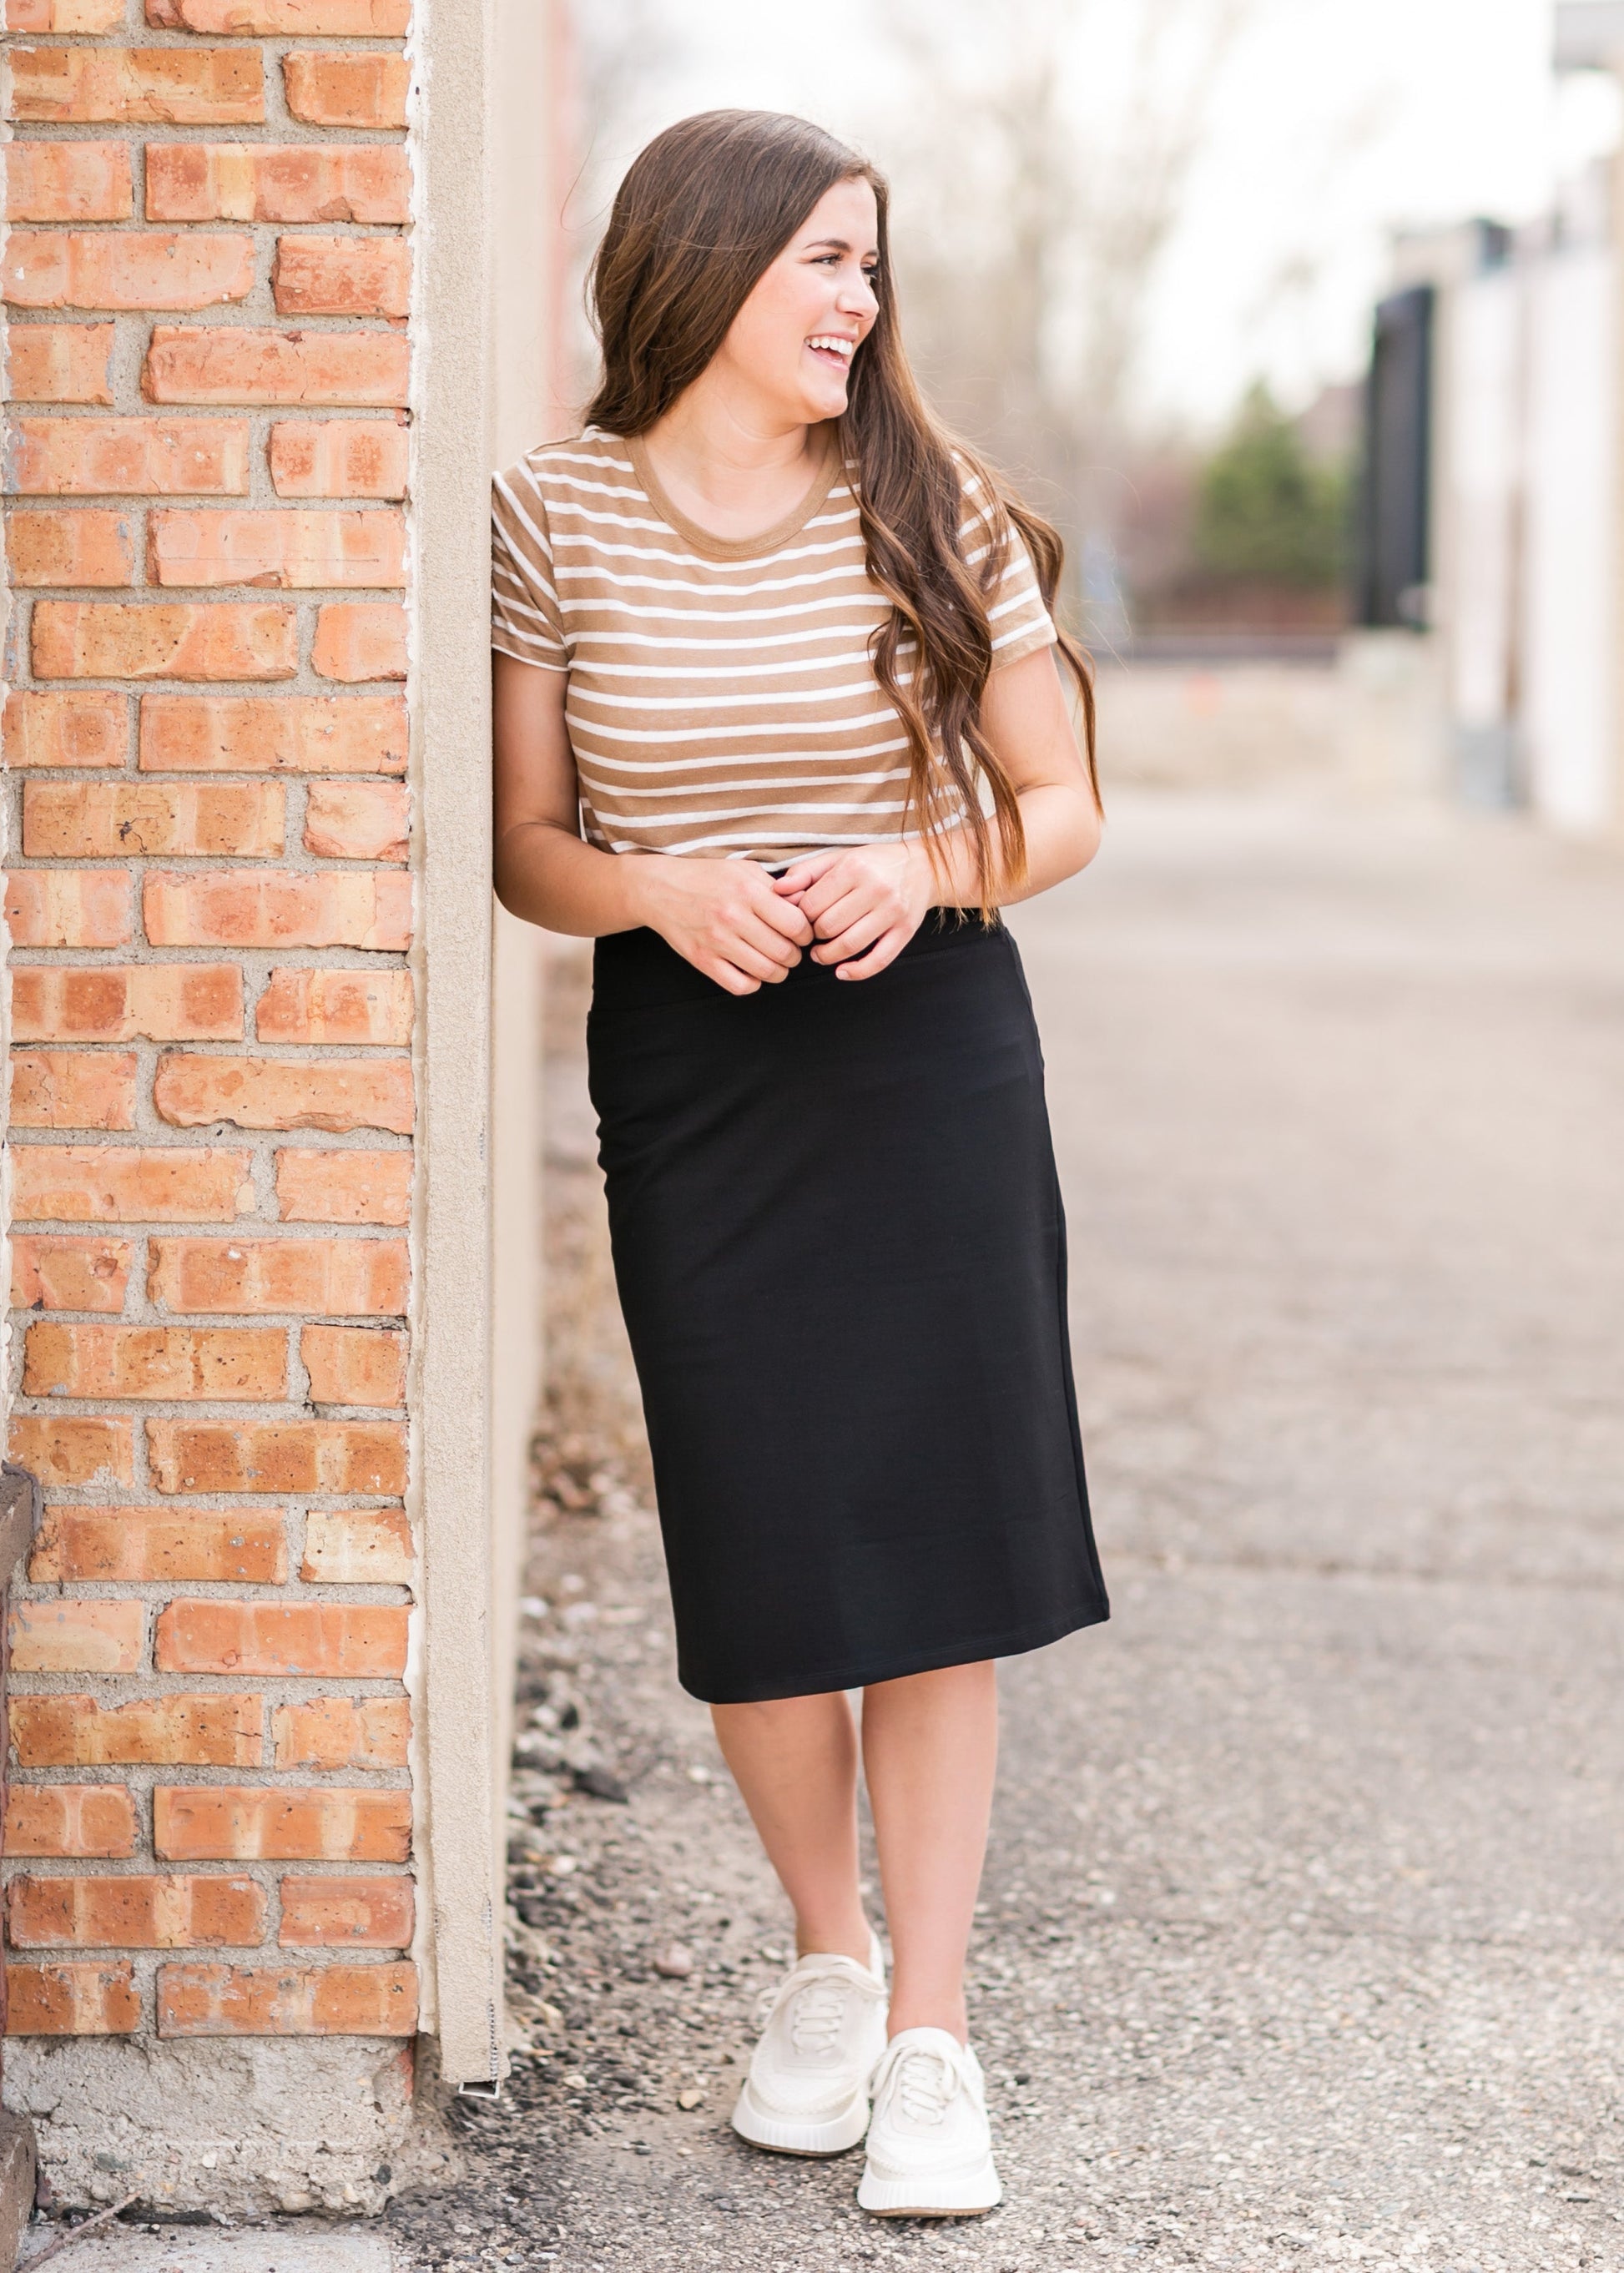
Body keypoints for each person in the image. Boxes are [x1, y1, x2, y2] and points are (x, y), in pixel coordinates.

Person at [491, 108, 1108, 2220]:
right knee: (760, 1546)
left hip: (925, 1048)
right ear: (704, 266)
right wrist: (658, 891)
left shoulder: (928, 496)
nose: (860, 298)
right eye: (823, 260)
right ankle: (826, 1965)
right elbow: (528, 847)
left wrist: (915, 865)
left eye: (870, 262)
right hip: (696, 1068)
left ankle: (931, 2034)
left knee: (937, 1539)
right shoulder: (554, 511)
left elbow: (1059, 807)